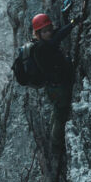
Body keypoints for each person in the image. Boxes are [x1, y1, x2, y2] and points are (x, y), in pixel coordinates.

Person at [30, 9, 78, 148]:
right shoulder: (41, 47)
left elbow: (56, 34)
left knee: (57, 110)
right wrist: (72, 24)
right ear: (39, 34)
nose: (48, 33)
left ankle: (53, 133)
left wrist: (68, 20)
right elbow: (57, 37)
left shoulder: (44, 42)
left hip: (54, 85)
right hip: (56, 87)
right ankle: (56, 142)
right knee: (60, 112)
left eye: (49, 30)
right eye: (44, 31)